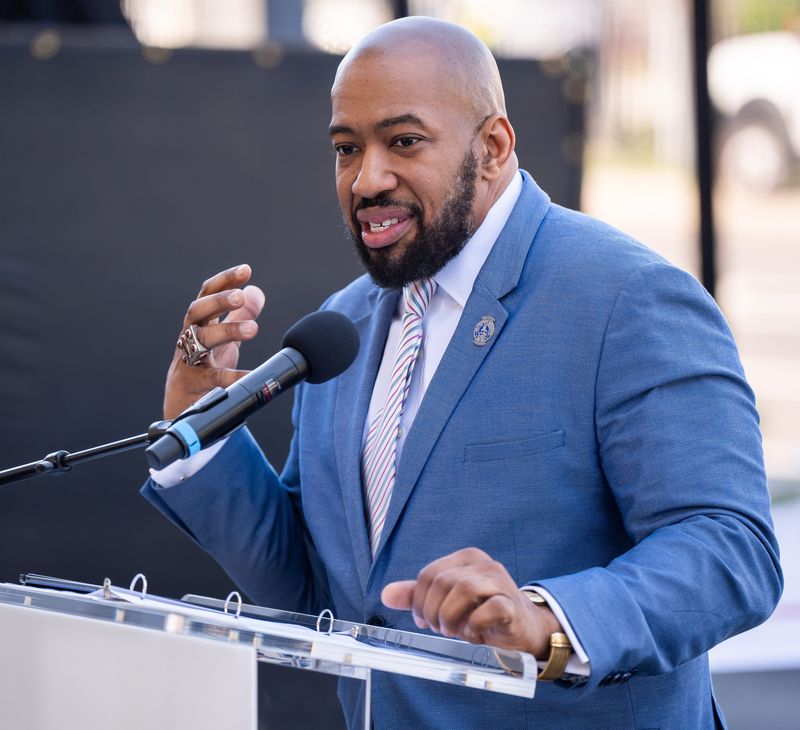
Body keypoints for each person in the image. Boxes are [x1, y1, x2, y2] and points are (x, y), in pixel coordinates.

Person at [142, 17, 782, 729]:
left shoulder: (626, 298)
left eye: (404, 141)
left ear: (495, 147)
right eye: (347, 148)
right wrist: (202, 418)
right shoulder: (343, 326)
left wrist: (546, 620)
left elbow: (731, 549)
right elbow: (315, 585)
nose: (367, 177)